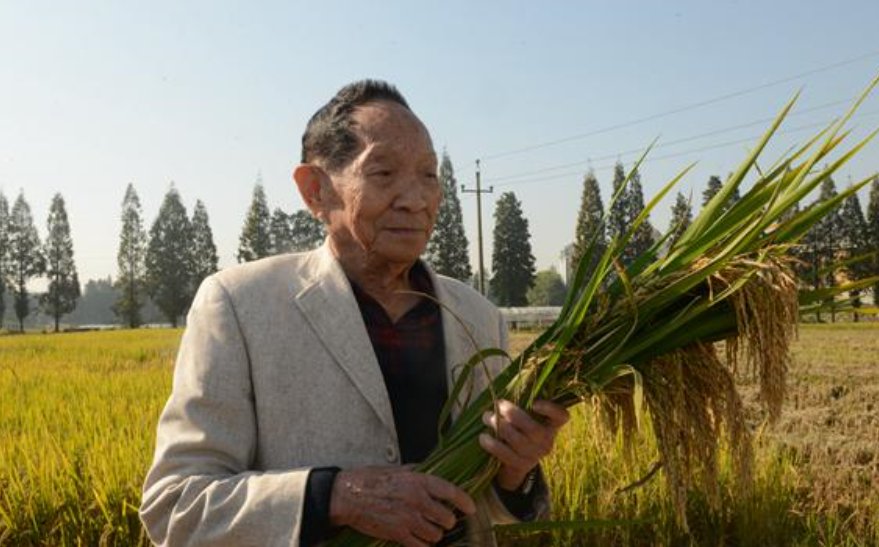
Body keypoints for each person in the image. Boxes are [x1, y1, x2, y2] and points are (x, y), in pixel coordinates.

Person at [140, 79, 569, 546]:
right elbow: (176, 507)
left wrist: (516, 472)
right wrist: (335, 496)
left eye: (429, 175)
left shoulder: (478, 316)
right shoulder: (241, 305)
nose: (416, 199)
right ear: (316, 190)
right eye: (383, 174)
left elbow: (488, 507)